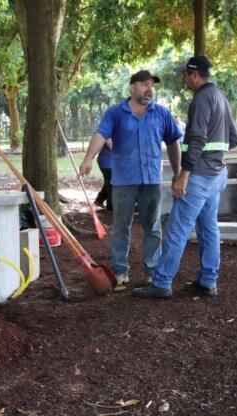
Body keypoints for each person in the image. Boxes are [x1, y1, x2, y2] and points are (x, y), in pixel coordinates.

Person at [134, 56, 237, 299]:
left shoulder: (202, 98)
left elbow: (199, 139)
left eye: (185, 74)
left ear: (195, 74)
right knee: (208, 228)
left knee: (177, 228)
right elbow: (232, 139)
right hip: (216, 174)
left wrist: (184, 174)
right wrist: (215, 156)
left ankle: (161, 282)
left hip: (200, 176)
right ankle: (208, 281)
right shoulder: (221, 98)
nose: (184, 79)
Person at [79, 70, 182, 287]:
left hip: (151, 180)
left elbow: (173, 142)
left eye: (152, 85)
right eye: (144, 84)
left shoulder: (161, 113)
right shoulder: (116, 113)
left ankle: (152, 271)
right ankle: (119, 271)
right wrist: (89, 158)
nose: (149, 89)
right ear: (132, 87)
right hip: (123, 181)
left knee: (153, 227)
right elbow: (100, 135)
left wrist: (178, 172)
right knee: (120, 227)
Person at [94, 139, 113, 211]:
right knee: (111, 184)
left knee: (110, 182)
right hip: (107, 162)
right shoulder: (109, 131)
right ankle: (110, 207)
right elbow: (112, 146)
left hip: (112, 162)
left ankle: (99, 199)